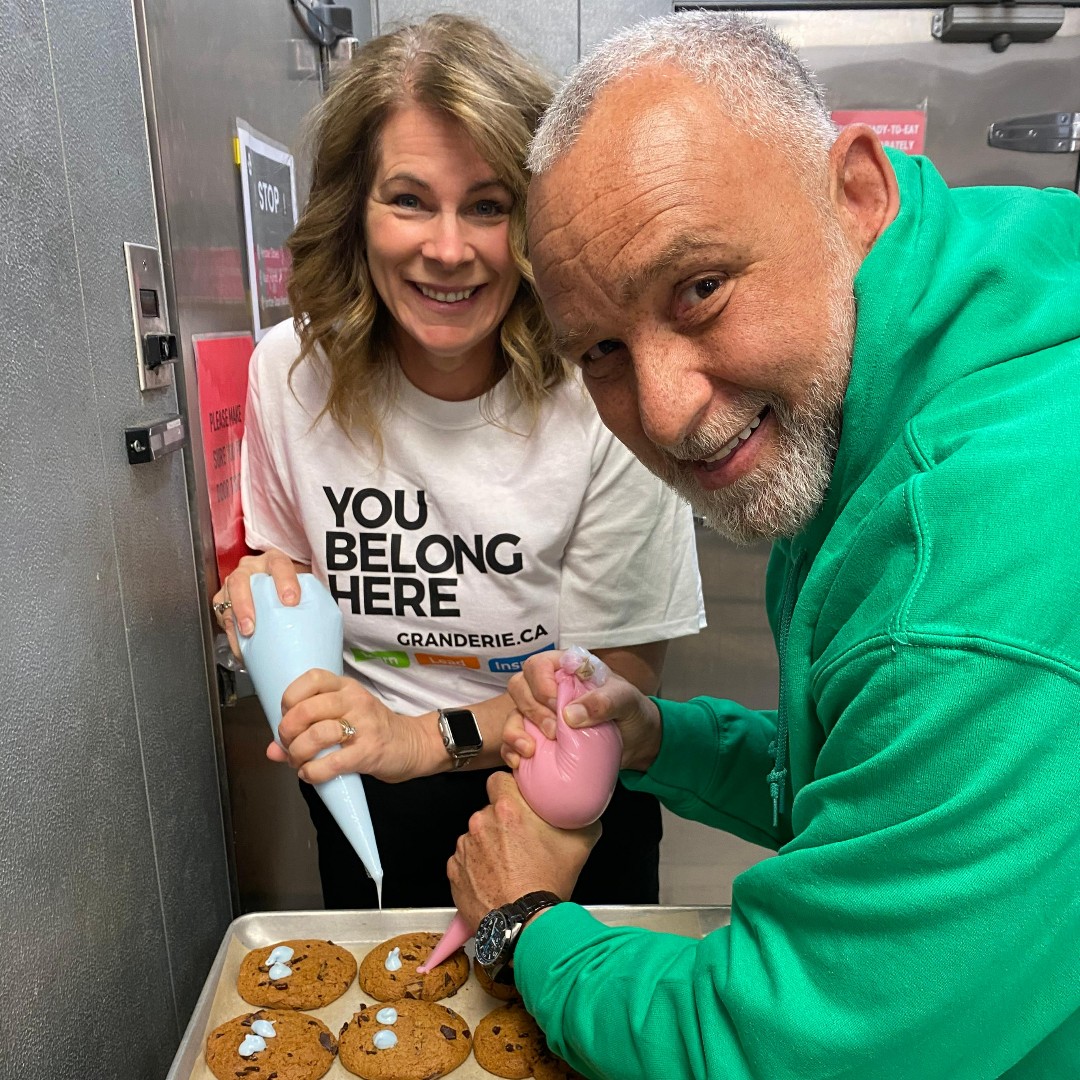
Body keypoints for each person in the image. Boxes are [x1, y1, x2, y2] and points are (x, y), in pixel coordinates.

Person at [446, 11, 1080, 1079]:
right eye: (601, 348)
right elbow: (874, 778)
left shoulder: (967, 575)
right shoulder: (921, 369)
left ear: (858, 193)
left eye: (699, 287)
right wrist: (660, 740)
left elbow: (794, 1041)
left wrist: (527, 924)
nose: (665, 411)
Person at [211, 14, 705, 911]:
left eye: (488, 203)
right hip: (363, 786)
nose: (448, 248)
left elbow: (617, 684)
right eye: (408, 199)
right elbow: (284, 568)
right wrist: (259, 585)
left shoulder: (607, 384)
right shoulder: (290, 374)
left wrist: (418, 739)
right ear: (353, 212)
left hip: (562, 791)